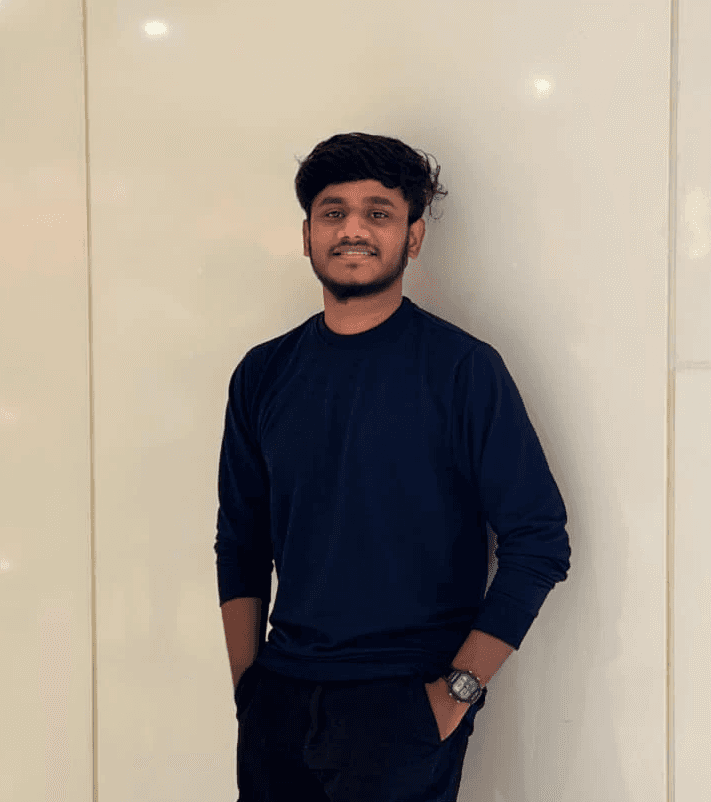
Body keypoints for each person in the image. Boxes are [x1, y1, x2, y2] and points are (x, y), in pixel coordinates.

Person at [214, 132, 571, 802]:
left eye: (377, 212)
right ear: (307, 236)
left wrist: (455, 693)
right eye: (333, 212)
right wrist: (248, 690)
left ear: (413, 237)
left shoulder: (463, 370)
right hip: (279, 702)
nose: (352, 229)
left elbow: (539, 540)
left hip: (403, 705)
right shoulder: (262, 373)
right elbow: (240, 541)